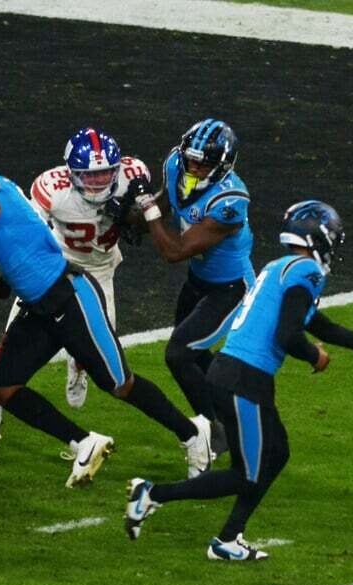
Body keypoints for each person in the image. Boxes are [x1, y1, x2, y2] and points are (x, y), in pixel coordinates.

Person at [124, 201, 353, 561]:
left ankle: (229, 538)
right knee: (246, 474)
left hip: (238, 376)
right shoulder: (307, 272)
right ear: (318, 236)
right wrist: (313, 356)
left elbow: (317, 324)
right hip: (243, 380)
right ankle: (152, 495)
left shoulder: (283, 266)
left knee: (276, 453)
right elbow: (289, 334)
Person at [0, 133, 212, 487]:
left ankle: (192, 433)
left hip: (70, 294)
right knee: (3, 387)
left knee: (119, 384)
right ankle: (83, 442)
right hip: (38, 303)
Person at [127, 118, 254, 455]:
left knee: (180, 355)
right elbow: (164, 205)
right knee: (194, 355)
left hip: (229, 288)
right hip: (199, 281)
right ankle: (238, 408)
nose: (194, 166)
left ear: (224, 164)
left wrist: (148, 210)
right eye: (191, 158)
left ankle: (214, 432)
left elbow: (175, 251)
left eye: (204, 162)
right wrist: (127, 213)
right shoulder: (175, 163)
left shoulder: (230, 199)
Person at [28, 126, 152, 410]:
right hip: (56, 265)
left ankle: (78, 368)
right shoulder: (51, 189)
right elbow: (31, 233)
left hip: (101, 270)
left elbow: (145, 226)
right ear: (71, 172)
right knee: (12, 337)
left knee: (95, 348)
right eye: (89, 174)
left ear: (117, 169)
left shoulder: (134, 175)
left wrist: (130, 213)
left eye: (105, 172)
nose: (97, 181)